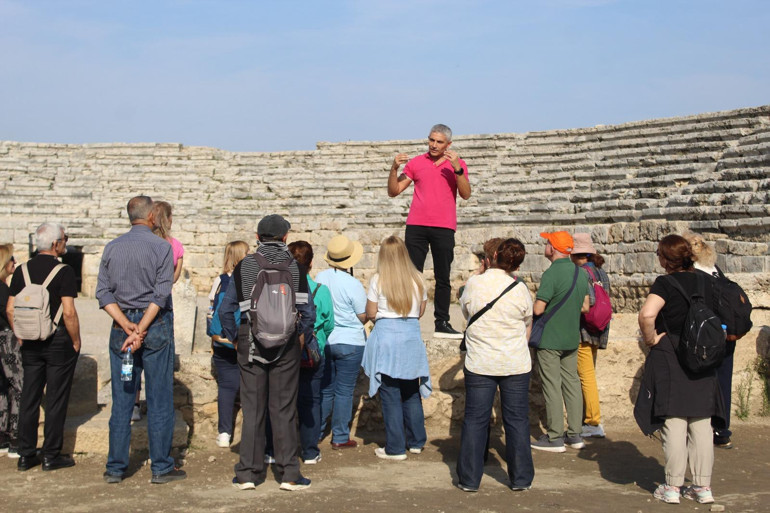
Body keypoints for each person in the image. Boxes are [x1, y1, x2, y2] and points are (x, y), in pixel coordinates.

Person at [219, 214, 315, 491]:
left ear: (258, 238)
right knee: (284, 409)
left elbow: (226, 310)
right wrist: (301, 338)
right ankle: (289, 474)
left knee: (253, 409)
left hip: (250, 339)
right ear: (285, 237)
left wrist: (235, 338)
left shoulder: (245, 265)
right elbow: (307, 311)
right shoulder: (296, 268)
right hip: (287, 342)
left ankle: (248, 473)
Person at [96, 196, 185, 484]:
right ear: (150, 217)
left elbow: (103, 293)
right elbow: (161, 294)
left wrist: (126, 325)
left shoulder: (112, 247)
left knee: (122, 399)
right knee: (160, 398)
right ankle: (160, 467)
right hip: (154, 325)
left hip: (122, 327)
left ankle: (115, 467)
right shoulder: (161, 247)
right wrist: (141, 329)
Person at [637, 234, 724, 505]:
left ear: (665, 259)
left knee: (674, 420)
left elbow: (647, 315)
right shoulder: (708, 280)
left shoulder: (665, 283)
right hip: (703, 353)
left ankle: (673, 487)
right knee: (701, 422)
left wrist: (651, 339)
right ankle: (702, 487)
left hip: (672, 351)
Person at [457, 238, 534, 492]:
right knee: (517, 420)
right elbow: (527, 323)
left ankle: (469, 479)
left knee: (475, 419)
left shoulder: (474, 283)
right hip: (514, 362)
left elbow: (467, 314)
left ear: (492, 257)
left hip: (481, 361)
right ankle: (521, 479)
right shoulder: (520, 288)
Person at [7, 223, 81, 471]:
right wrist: (76, 340)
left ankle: (26, 454)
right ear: (55, 244)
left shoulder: (21, 271)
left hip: (29, 339)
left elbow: (10, 308)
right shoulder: (64, 271)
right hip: (57, 339)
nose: (65, 243)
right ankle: (51, 455)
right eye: (64, 239)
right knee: (56, 399)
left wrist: (20, 334)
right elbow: (69, 312)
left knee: (29, 396)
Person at [388, 123, 471, 339]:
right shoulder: (416, 162)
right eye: (431, 140)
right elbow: (394, 191)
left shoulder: (457, 164)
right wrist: (394, 169)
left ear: (448, 144)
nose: (434, 145)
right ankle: (409, 317)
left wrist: (457, 168)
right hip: (416, 225)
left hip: (444, 226)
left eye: (439, 142)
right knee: (412, 274)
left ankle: (441, 321)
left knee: (443, 276)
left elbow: (466, 194)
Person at [362, 236, 430, 461]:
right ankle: (417, 441)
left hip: (387, 339)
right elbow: (420, 311)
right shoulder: (418, 279)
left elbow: (370, 313)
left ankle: (395, 447)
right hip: (410, 336)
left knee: (390, 393)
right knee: (411, 391)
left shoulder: (378, 280)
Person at [530, 231, 590, 453]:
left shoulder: (551, 274)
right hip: (571, 336)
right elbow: (585, 306)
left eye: (547, 243)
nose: (545, 246)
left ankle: (554, 436)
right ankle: (575, 434)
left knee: (552, 385)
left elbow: (538, 308)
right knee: (572, 383)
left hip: (550, 338)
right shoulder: (580, 273)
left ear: (553, 248)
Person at [129, 201, 184, 422]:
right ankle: (157, 408)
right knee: (159, 362)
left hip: (135, 306)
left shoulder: (138, 244)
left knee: (132, 361)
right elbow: (173, 279)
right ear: (168, 219)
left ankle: (133, 405)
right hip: (161, 308)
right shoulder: (174, 246)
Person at [682, 231, 734, 449]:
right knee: (723, 382)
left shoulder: (694, 275)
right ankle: (722, 431)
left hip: (705, 335)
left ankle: (700, 430)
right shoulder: (716, 271)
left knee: (699, 381)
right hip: (727, 333)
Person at [315, 234, 367, 449]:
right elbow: (363, 315)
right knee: (344, 390)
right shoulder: (353, 283)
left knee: (325, 389)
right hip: (351, 342)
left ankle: (316, 432)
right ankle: (340, 436)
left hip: (326, 340)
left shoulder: (319, 277)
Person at [288, 240, 335, 465]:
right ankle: (309, 451)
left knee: (283, 400)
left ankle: (278, 449)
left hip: (287, 349)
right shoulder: (321, 290)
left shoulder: (284, 288)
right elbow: (329, 324)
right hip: (312, 351)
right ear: (311, 263)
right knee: (312, 400)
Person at [208, 240, 249, 449]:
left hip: (223, 341)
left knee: (226, 387)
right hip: (243, 339)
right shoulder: (251, 280)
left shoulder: (220, 280)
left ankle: (224, 433)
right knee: (250, 387)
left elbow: (212, 309)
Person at [570, 233, 610, 439]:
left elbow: (589, 302)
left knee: (586, 377)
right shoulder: (600, 272)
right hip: (598, 329)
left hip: (583, 331)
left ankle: (593, 421)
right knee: (588, 374)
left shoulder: (582, 273)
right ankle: (589, 418)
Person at [0, 244, 22, 458]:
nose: (14, 263)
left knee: (2, 386)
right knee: (17, 385)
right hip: (6, 340)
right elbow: (9, 312)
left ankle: (2, 436)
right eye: (12, 259)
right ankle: (15, 437)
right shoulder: (4, 290)